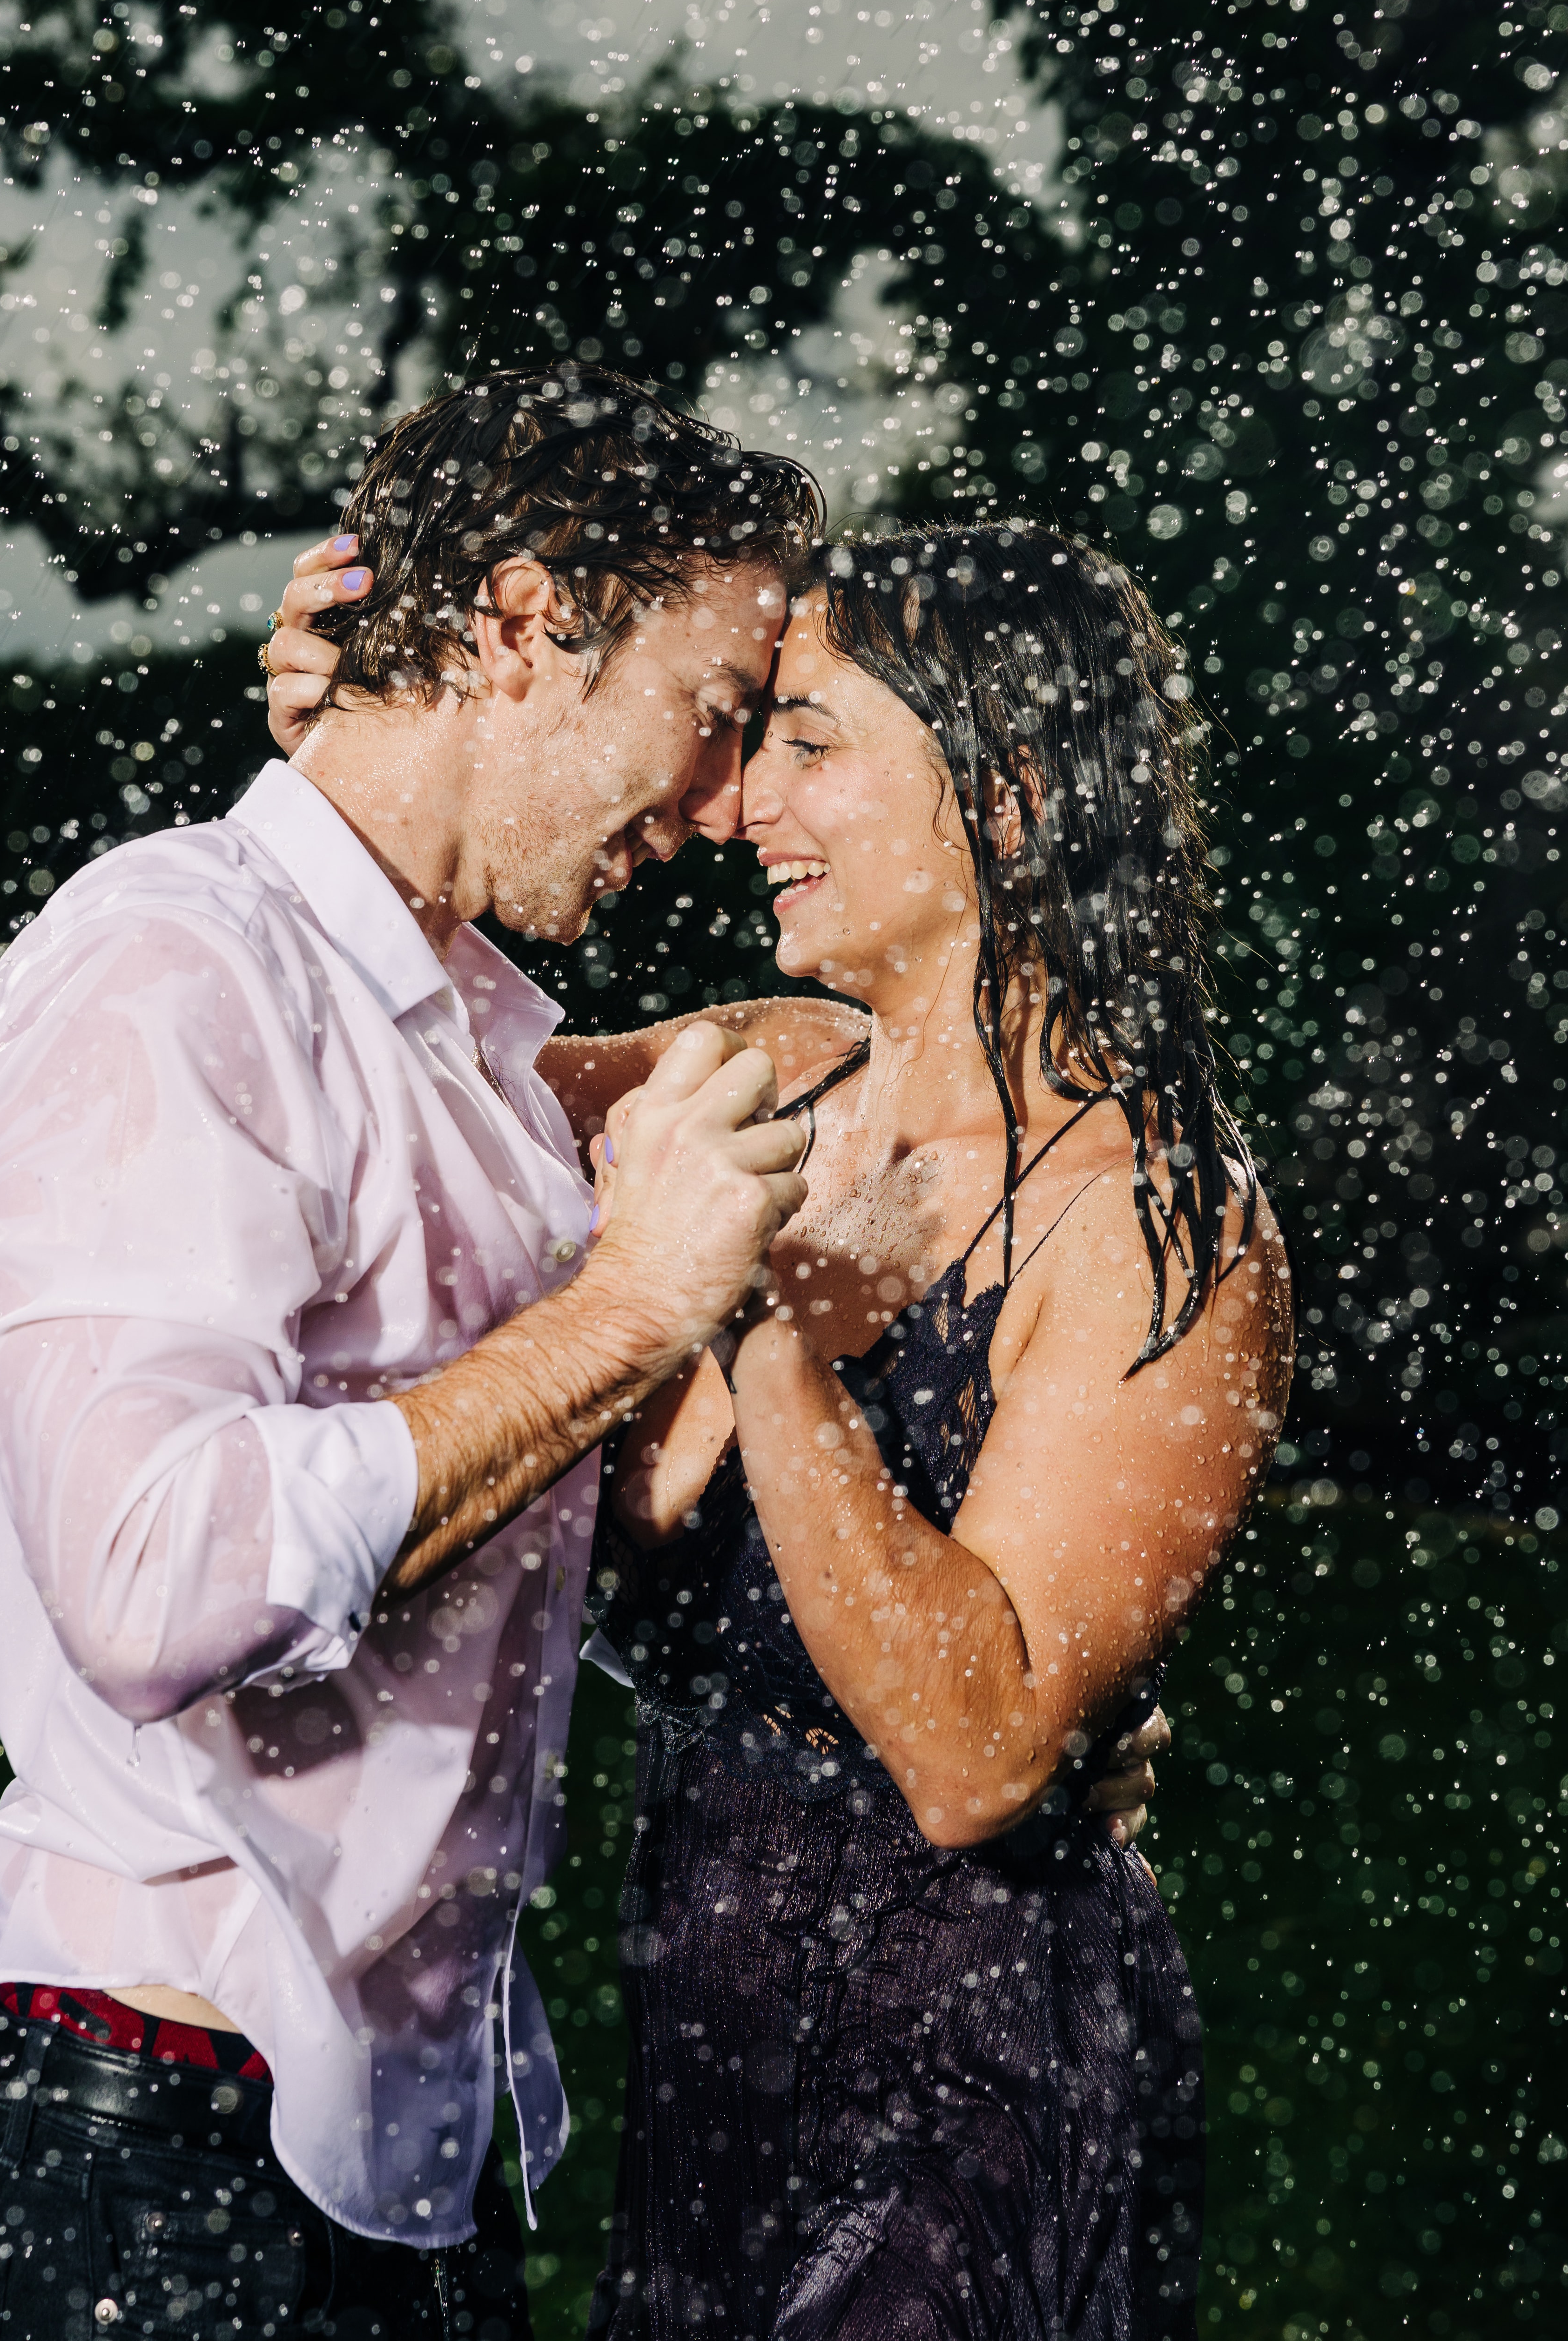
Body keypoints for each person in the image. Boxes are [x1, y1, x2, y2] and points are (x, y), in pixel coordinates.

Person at [280, 518, 1293, 2341]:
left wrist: (751, 1329)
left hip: (980, 2084)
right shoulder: (766, 1071)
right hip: (705, 2044)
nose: (744, 801)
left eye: (812, 743)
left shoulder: (1154, 1223)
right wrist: (352, 765)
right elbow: (368, 1084)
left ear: (1016, 789)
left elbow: (977, 1754)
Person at [0, 367, 837, 2339]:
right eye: (716, 713)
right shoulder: (167, 964)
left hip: (396, 2172)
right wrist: (628, 1315)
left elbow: (521, 1567)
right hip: (137, 2153)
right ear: (518, 630)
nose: (726, 801)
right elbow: (150, 1578)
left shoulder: (483, 1057)